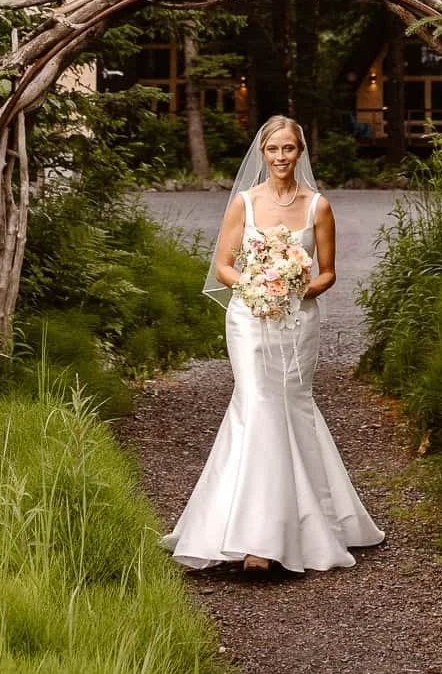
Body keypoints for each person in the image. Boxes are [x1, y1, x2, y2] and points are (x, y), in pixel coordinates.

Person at [160, 114, 385, 576]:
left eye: (289, 149)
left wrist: (294, 290)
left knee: (292, 406)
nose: (281, 158)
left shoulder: (317, 206)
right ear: (262, 154)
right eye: (273, 150)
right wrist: (255, 286)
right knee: (256, 403)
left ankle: (307, 521)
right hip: (248, 317)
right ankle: (253, 541)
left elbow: (327, 272)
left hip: (297, 321)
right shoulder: (245, 202)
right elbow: (222, 265)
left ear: (300, 152)